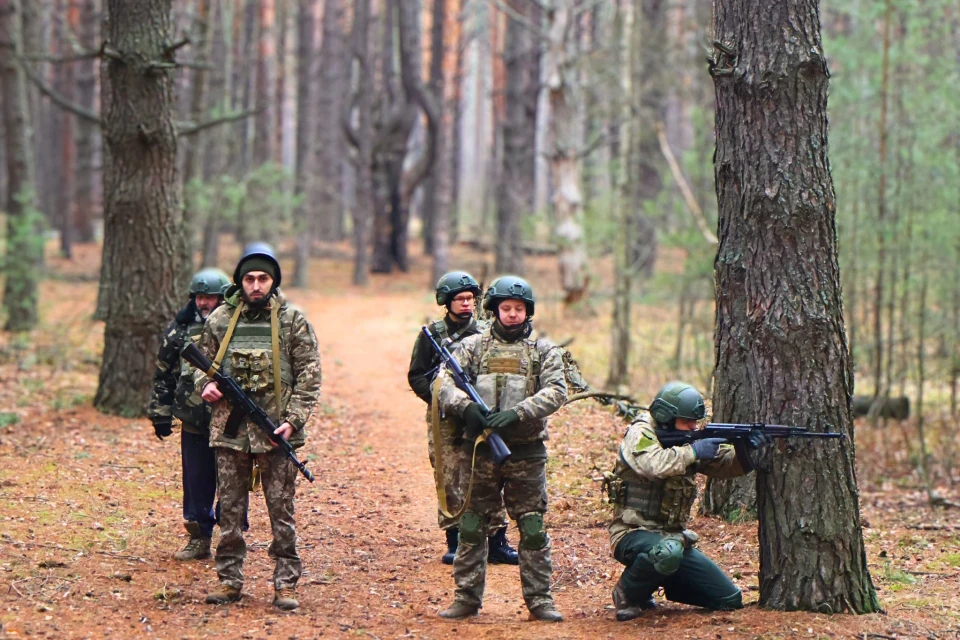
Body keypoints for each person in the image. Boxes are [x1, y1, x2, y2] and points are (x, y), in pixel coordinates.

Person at [195, 243, 321, 611]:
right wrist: (206, 386)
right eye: (249, 278)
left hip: (275, 434)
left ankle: (286, 584)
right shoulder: (219, 319)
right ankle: (229, 580)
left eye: (263, 278)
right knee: (230, 512)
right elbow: (195, 367)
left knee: (281, 512)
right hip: (230, 433)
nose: (255, 285)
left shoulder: (292, 321)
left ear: (273, 282)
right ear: (240, 281)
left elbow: (309, 378)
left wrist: (291, 421)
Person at [437, 276, 567, 622]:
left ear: (528, 312)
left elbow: (557, 391)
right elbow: (444, 383)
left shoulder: (543, 351)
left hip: (525, 452)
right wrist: (466, 408)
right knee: (472, 525)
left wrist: (518, 412)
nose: (512, 314)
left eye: (519, 309)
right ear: (494, 310)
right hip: (479, 450)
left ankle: (540, 601)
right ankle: (466, 598)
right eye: (506, 308)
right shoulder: (472, 347)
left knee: (533, 527)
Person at [606, 382, 771, 620]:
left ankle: (661, 581)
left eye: (695, 422)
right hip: (632, 532)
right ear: (666, 417)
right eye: (687, 421)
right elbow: (651, 464)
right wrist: (693, 451)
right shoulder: (641, 432)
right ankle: (627, 593)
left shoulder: (685, 439)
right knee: (667, 552)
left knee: (728, 599)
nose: (694, 427)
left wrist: (745, 449)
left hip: (673, 540)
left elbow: (723, 466)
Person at [407, 271, 518, 566]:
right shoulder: (432, 335)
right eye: (460, 299)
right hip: (447, 420)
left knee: (491, 475)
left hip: (484, 414)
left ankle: (497, 541)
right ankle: (455, 541)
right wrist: (441, 400)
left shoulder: (486, 332)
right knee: (450, 477)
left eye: (470, 298)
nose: (466, 304)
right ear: (447, 301)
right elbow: (417, 376)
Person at [148, 268, 231, 561]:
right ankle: (199, 538)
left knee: (232, 481)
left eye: (210, 297)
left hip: (232, 423)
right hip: (194, 421)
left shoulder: (236, 328)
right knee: (196, 481)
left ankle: (231, 537)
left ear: (223, 298)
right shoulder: (180, 330)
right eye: (199, 297)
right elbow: (163, 374)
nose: (204, 303)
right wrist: (160, 412)